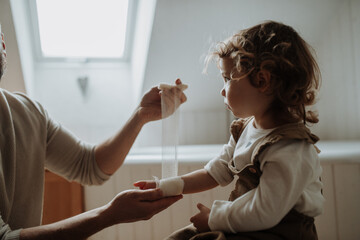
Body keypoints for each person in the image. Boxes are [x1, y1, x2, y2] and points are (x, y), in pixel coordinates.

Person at [134, 20, 324, 240]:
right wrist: (167, 187)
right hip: (250, 223)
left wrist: (213, 219)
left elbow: (265, 211)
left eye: (227, 79)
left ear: (263, 81)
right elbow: (214, 172)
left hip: (281, 231)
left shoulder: (290, 148)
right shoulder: (246, 129)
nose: (222, 92)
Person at [0, 27, 187, 240]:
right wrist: (108, 215)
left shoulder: (28, 113)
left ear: (3, 45)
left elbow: (89, 165)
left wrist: (140, 116)